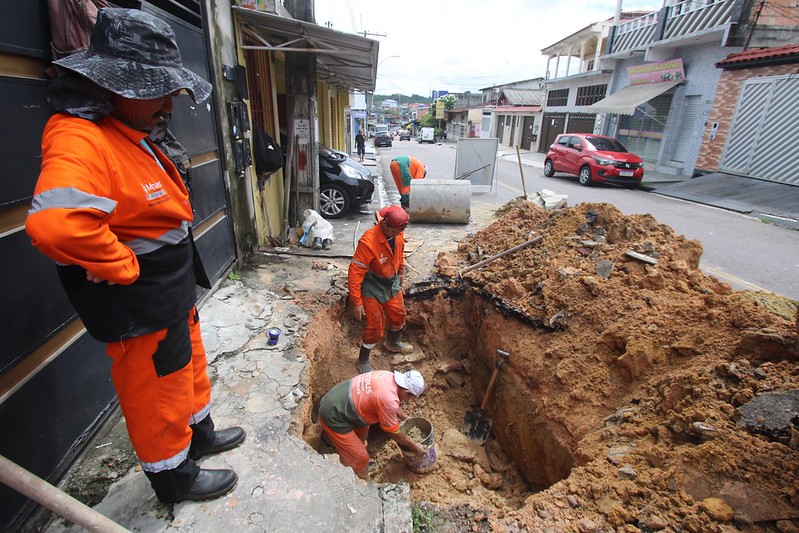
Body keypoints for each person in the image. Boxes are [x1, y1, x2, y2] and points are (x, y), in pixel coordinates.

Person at [25, 8, 245, 504]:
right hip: (139, 300)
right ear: (112, 85)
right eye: (156, 91)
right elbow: (56, 223)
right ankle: (173, 477)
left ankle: (199, 432)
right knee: (156, 387)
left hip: (171, 288)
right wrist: (121, 265)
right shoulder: (80, 136)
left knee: (187, 364)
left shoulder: (131, 130)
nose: (168, 104)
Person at [318, 369, 427, 479]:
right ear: (407, 392)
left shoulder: (388, 376)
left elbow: (385, 402)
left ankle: (347, 449)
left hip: (339, 398)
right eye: (411, 397)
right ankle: (361, 481)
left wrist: (407, 418)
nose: (410, 401)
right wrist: (415, 447)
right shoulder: (389, 399)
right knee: (361, 458)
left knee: (363, 436)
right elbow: (393, 432)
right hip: (333, 415)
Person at [348, 206, 414, 374]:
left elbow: (400, 253)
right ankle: (363, 359)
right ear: (384, 224)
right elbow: (355, 272)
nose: (399, 235)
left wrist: (400, 271)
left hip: (390, 283)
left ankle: (393, 343)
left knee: (399, 315)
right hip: (372, 285)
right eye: (395, 231)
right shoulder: (368, 242)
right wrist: (356, 302)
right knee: (376, 327)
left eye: (400, 232)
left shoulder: (397, 233)